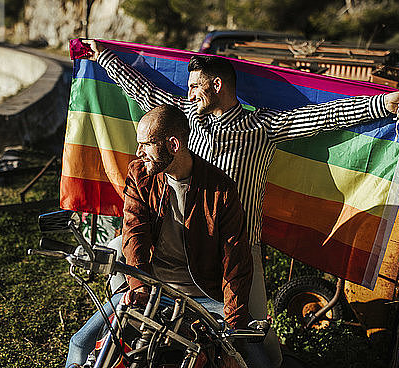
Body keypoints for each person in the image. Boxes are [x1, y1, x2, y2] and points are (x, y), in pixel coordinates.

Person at [81, 39, 399, 368]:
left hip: (236, 249)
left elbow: (324, 116)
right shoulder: (184, 119)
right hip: (182, 243)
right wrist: (104, 56)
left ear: (217, 85)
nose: (188, 94)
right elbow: (144, 91)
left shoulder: (262, 126)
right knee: (127, 275)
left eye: (195, 87)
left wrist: (384, 105)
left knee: (254, 338)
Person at [67, 105, 262, 367]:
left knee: (257, 361)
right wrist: (140, 287)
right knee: (81, 343)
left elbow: (235, 262)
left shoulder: (220, 189)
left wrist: (234, 331)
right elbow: (133, 233)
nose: (139, 152)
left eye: (146, 144)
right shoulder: (139, 175)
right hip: (154, 289)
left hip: (205, 298)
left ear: (173, 144)